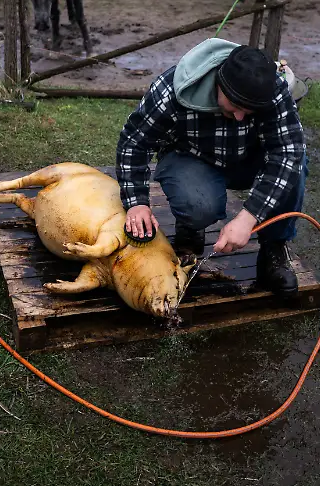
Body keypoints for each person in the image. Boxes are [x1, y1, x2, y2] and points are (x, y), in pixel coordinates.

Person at [116, 39, 308, 297]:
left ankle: (273, 251)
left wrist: (249, 216)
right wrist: (136, 202)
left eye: (248, 111)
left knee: (296, 163)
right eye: (235, 107)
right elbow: (133, 143)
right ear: (219, 83)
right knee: (198, 205)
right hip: (192, 158)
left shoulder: (272, 88)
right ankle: (191, 224)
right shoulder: (172, 89)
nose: (240, 116)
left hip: (247, 159)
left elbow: (287, 151)